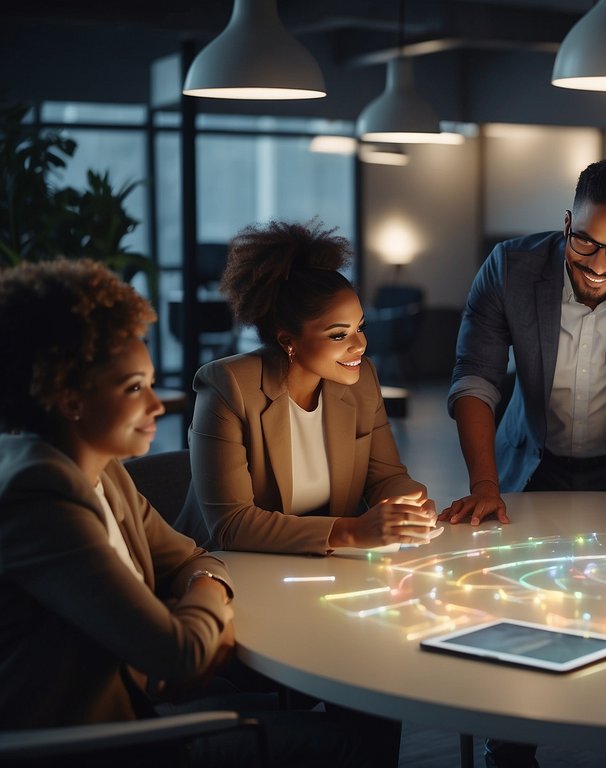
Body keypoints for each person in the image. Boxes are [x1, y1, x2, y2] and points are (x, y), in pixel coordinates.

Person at [0, 259, 384, 766]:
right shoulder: (41, 495)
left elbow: (193, 557)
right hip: (104, 740)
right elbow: (180, 654)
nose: (159, 406)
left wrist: (205, 586)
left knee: (358, 691)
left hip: (141, 697)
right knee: (358, 734)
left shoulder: (100, 468)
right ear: (69, 397)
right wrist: (206, 600)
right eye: (134, 388)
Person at [445, 157, 606, 537]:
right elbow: (475, 380)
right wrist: (484, 485)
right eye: (585, 242)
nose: (598, 265)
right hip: (528, 462)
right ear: (567, 224)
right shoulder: (509, 269)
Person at [175, 220, 438, 555]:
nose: (360, 345)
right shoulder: (228, 387)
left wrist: (407, 503)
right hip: (224, 567)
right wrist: (352, 532)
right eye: (339, 335)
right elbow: (232, 524)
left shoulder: (362, 380)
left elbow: (386, 476)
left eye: (361, 327)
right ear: (288, 340)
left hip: (314, 566)